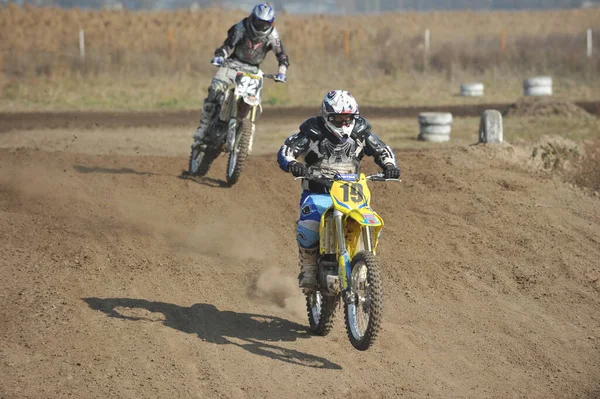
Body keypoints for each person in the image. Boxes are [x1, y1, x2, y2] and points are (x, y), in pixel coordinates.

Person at [277, 90, 401, 288]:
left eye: (348, 119)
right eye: (338, 119)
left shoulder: (361, 132)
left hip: (353, 192)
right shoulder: (312, 131)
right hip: (318, 191)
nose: (344, 124)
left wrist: (390, 166)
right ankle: (308, 267)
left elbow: (382, 149)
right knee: (310, 222)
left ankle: (366, 263)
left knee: (370, 220)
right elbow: (287, 150)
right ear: (327, 116)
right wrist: (292, 164)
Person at [193, 3, 289, 143]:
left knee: (254, 102)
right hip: (232, 64)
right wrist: (221, 56)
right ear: (252, 18)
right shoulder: (242, 27)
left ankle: (246, 138)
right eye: (258, 22)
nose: (260, 26)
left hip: (253, 71)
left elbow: (282, 57)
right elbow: (228, 44)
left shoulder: (273, 35)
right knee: (215, 88)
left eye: (264, 24)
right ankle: (203, 127)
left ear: (270, 23)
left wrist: (282, 72)